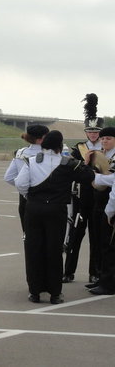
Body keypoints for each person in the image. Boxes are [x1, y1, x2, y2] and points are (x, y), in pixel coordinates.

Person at [14, 131, 94, 304]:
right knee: (54, 250)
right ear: (60, 146)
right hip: (57, 210)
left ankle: (34, 291)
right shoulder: (68, 163)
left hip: (34, 209)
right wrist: (87, 163)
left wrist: (32, 198)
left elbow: (20, 183)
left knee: (34, 248)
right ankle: (55, 293)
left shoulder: (32, 161)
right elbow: (89, 176)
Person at [64, 94, 104, 284]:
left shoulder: (107, 149)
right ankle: (68, 270)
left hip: (99, 196)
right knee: (75, 235)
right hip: (82, 196)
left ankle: (94, 271)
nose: (93, 134)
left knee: (96, 237)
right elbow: (72, 172)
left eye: (96, 131)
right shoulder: (77, 149)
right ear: (86, 132)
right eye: (90, 131)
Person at [4, 124, 49, 235]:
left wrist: (24, 189)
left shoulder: (20, 153)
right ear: (41, 139)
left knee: (29, 239)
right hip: (47, 200)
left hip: (25, 200)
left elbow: (9, 177)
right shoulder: (49, 153)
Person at [87, 126, 115, 295]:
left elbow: (113, 180)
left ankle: (108, 283)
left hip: (110, 205)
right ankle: (101, 277)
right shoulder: (103, 155)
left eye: (109, 138)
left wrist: (95, 177)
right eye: (103, 138)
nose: (104, 141)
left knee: (109, 246)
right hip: (100, 202)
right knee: (99, 242)